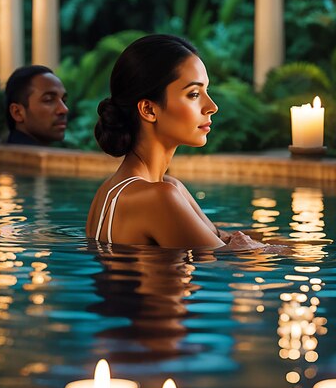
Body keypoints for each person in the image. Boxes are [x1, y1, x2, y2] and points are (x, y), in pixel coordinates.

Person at [86, 34, 262, 250]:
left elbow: (226, 241)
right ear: (149, 110)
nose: (212, 106)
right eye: (194, 94)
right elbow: (237, 259)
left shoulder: (114, 190)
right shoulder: (159, 198)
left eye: (207, 91)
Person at [4, 65, 68, 145]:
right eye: (48, 100)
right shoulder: (15, 156)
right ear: (17, 112)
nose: (64, 109)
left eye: (64, 101)